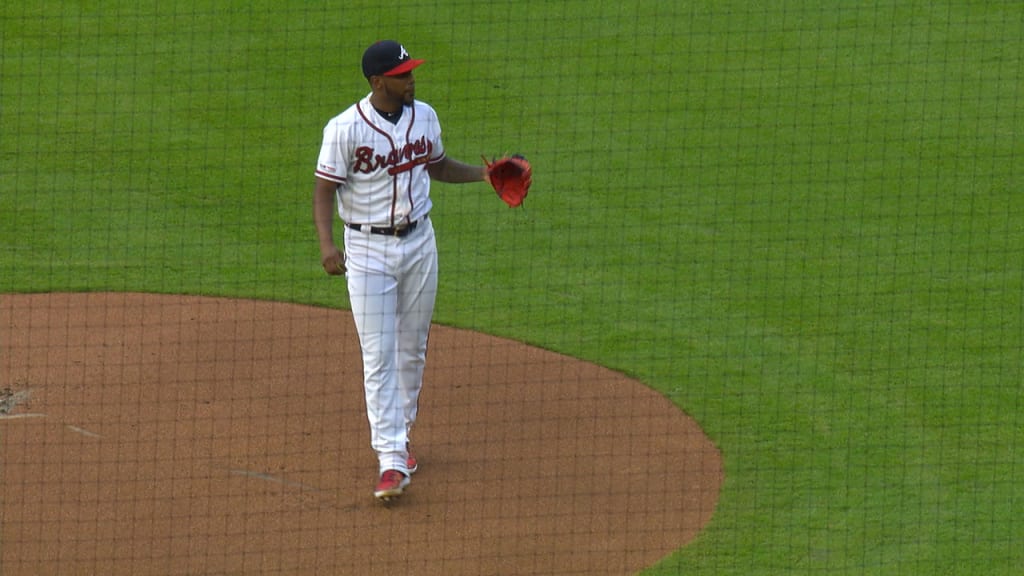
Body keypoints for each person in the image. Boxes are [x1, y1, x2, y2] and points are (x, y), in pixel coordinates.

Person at [313, 40, 488, 502]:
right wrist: (327, 243)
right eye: (403, 74)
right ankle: (390, 458)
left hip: (419, 244)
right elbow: (324, 187)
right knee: (380, 353)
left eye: (411, 72)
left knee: (412, 349)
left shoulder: (424, 115)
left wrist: (484, 176)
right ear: (377, 82)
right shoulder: (345, 128)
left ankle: (401, 439)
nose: (412, 79)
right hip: (367, 250)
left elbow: (438, 166)